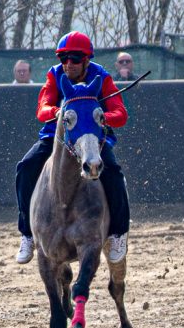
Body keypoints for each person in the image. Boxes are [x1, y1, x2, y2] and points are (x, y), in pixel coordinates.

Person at [14, 31, 130, 265]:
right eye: (63, 58)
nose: (68, 64)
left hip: (93, 140)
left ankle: (118, 233)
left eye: (75, 59)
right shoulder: (54, 74)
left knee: (114, 173)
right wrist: (59, 113)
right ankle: (27, 233)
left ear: (86, 60)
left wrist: (102, 117)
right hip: (58, 138)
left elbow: (121, 114)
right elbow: (42, 109)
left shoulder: (102, 77)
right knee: (25, 167)